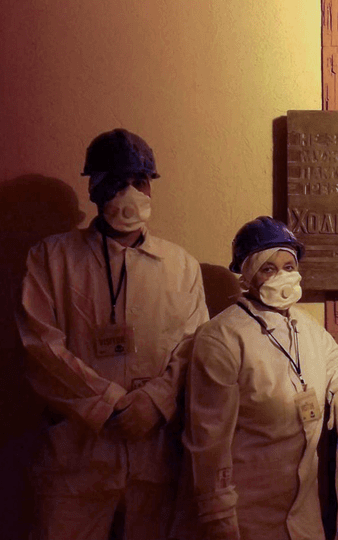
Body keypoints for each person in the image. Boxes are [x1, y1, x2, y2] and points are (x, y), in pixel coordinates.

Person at [16, 128, 209, 539]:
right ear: (94, 187)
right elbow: (40, 347)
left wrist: (156, 402)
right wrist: (107, 403)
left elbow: (194, 347)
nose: (130, 193)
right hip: (78, 454)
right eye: (118, 182)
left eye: (139, 182)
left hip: (155, 450)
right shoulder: (51, 258)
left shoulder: (181, 266)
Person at [183, 216, 338, 540]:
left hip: (304, 516)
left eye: (288, 266)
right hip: (248, 516)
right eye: (269, 269)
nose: (282, 277)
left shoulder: (305, 325)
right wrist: (218, 516)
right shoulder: (222, 337)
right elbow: (208, 440)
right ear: (247, 276)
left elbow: (336, 359)